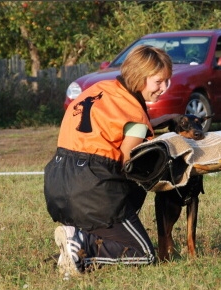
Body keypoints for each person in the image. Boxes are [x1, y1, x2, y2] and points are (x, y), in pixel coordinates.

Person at [44, 45, 172, 276]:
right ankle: (83, 243)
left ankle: (72, 249)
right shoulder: (134, 114)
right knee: (142, 252)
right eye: (159, 82)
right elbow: (126, 163)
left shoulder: (99, 89)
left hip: (57, 184)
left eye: (167, 82)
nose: (164, 88)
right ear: (140, 77)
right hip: (92, 190)